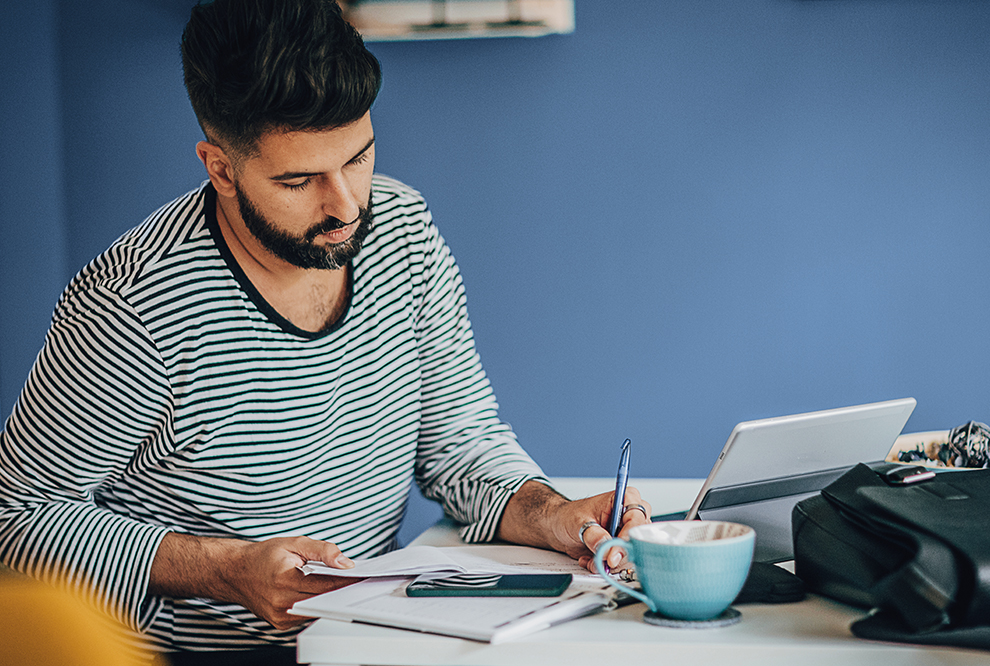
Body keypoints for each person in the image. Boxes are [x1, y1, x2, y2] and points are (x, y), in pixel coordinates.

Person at [0, 0, 651, 659]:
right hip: (199, 653)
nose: (345, 207)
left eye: (358, 159)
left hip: (371, 636)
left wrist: (552, 516)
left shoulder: (401, 230)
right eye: (299, 179)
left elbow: (459, 445)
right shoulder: (133, 306)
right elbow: (13, 520)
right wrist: (226, 568)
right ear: (221, 168)